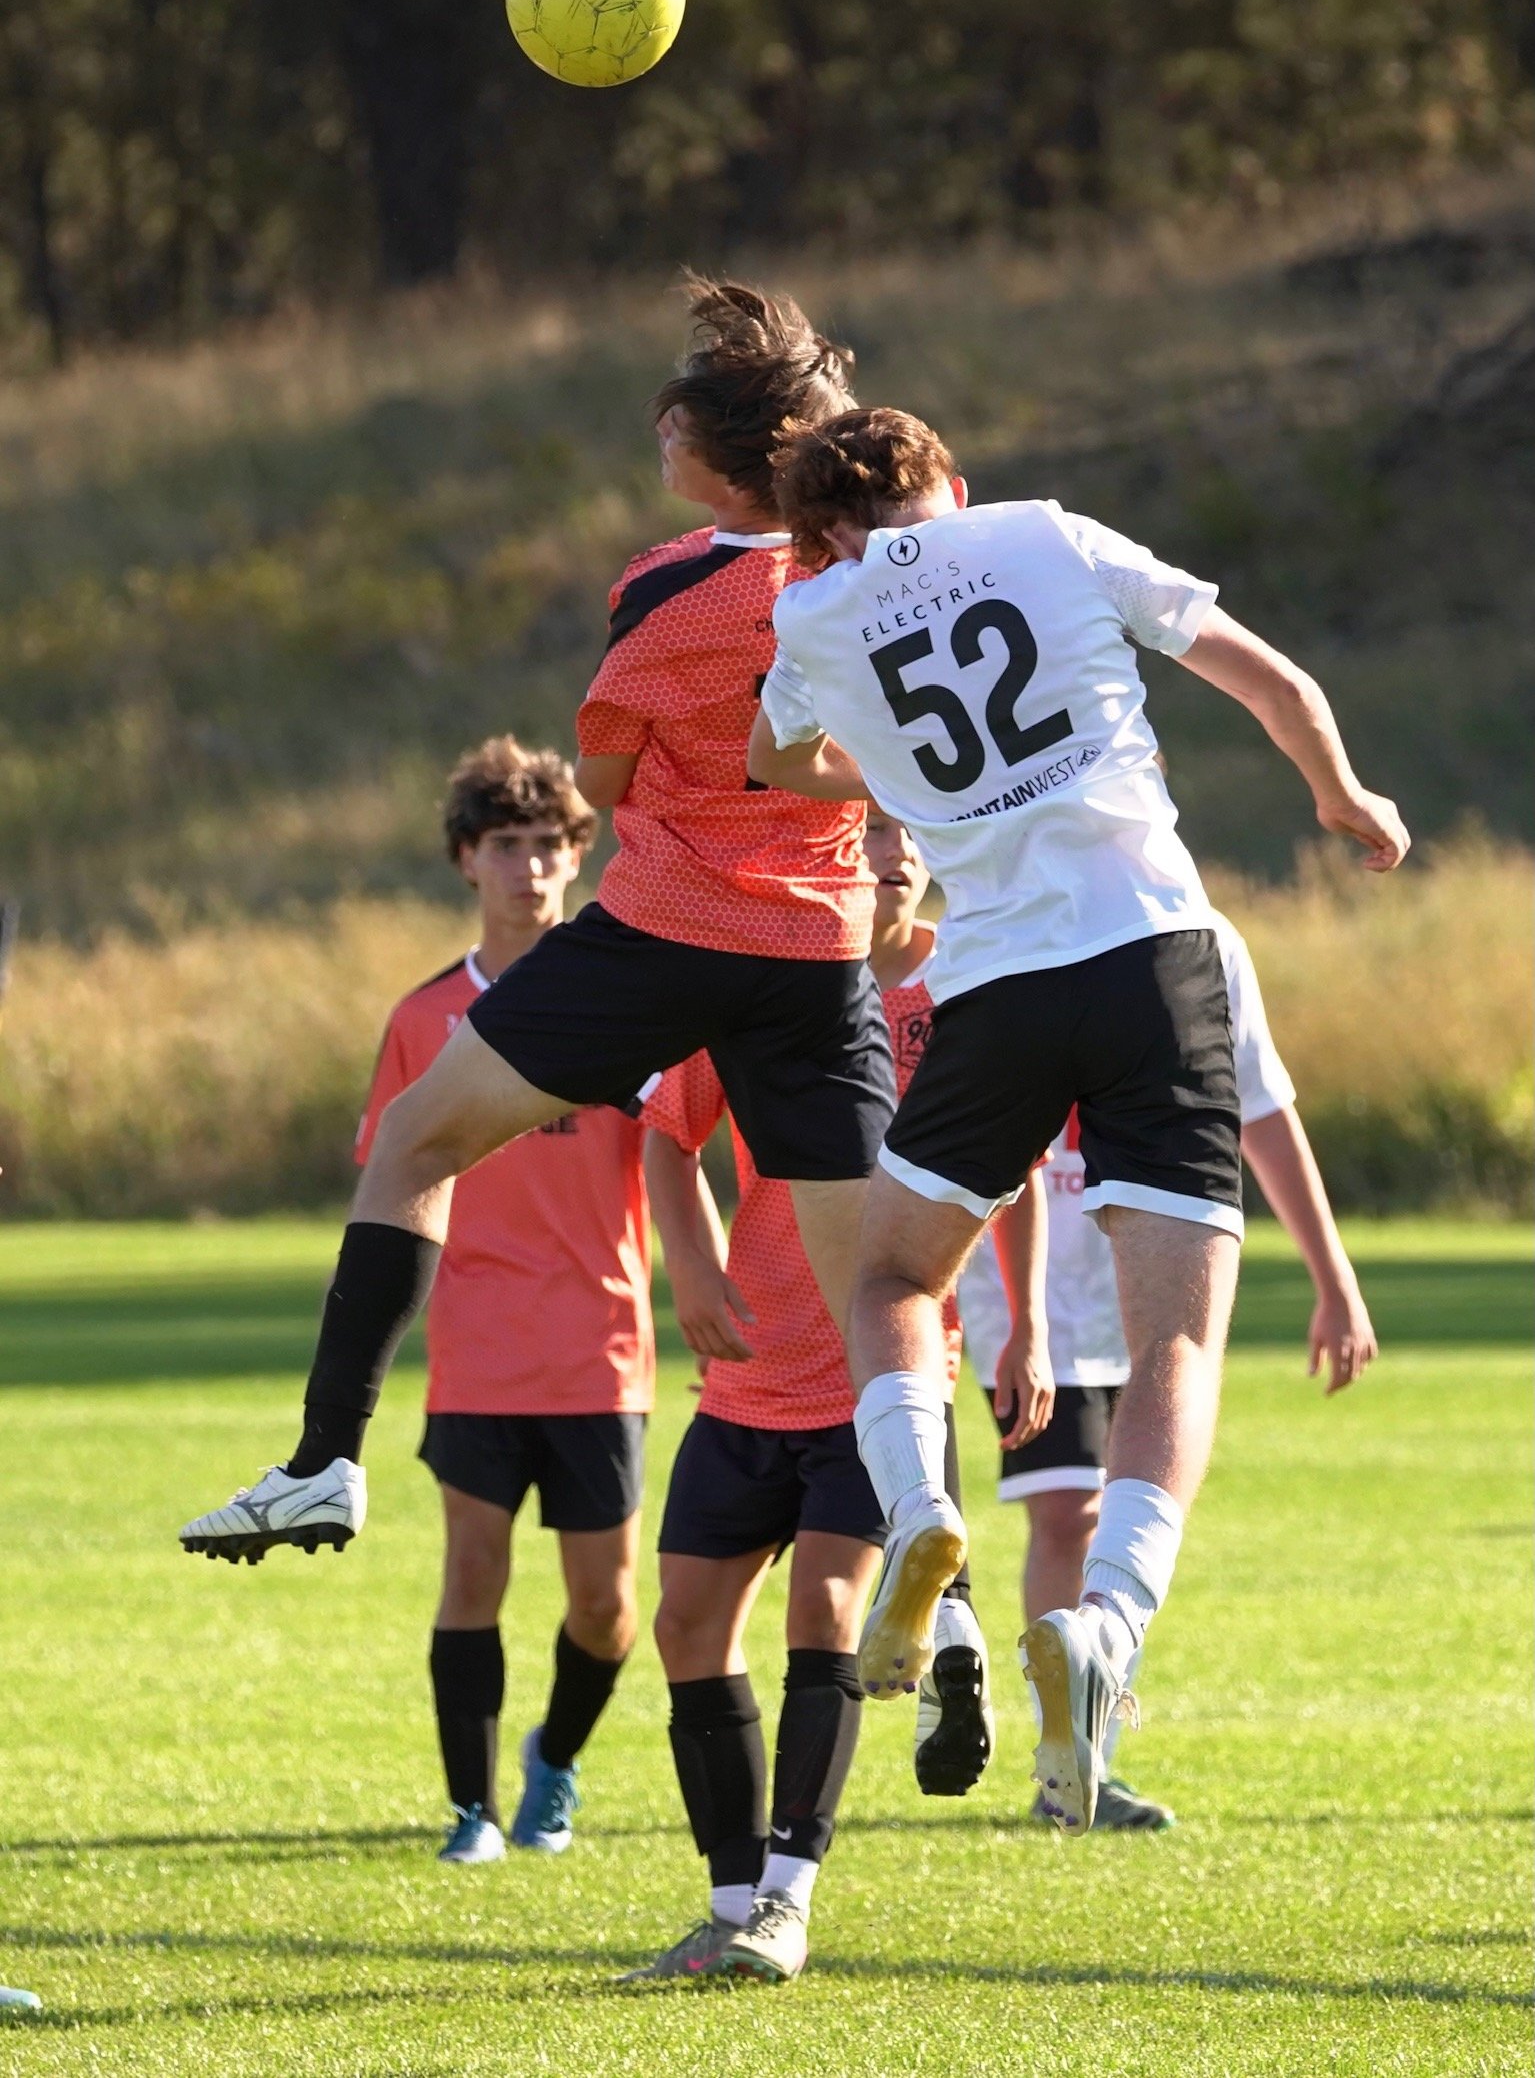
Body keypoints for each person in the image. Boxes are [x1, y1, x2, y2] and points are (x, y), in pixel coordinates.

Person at [746, 405, 1409, 1833]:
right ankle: (1105, 1622)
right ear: (948, 487)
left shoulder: (813, 615)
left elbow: (771, 762)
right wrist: (1340, 796)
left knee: (891, 1278)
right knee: (1174, 1331)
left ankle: (920, 1509)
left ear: (816, 532)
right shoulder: (1043, 534)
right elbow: (1266, 677)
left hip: (995, 987)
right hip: (1154, 961)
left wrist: (898, 774)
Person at [178, 280, 894, 1564]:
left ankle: (325, 1460)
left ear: (719, 457)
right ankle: (931, 1566)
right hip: (815, 952)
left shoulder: (668, 588)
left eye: (672, 423)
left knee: (409, 1143)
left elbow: (603, 784)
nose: (656, 436)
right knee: (870, 1300)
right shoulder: (859, 581)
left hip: (662, 934)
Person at [186, 740, 655, 1861]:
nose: (531, 869)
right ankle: (471, 1811)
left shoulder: (632, 1001)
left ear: (577, 855)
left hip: (603, 1345)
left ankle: (555, 1762)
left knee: (607, 1604)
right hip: (481, 1349)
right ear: (465, 859)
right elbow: (389, 1186)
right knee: (471, 1574)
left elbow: (683, 1149)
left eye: (552, 847)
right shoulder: (424, 1018)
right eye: (508, 846)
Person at [621, 806, 1046, 1985]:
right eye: (873, 837)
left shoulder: (960, 997)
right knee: (684, 1626)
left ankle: (787, 1901)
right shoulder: (765, 990)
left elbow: (1012, 1168)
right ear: (830, 861)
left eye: (910, 840)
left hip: (875, 1388)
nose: (894, 856)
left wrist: (1029, 1328)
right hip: (747, 1371)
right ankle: (726, 1903)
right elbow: (667, 1133)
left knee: (828, 1617)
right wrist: (694, 1264)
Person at [959, 906, 1380, 1830]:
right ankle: (1070, 1766)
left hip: (1152, 1282)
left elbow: (1258, 1113)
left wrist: (1333, 1277)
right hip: (1037, 1299)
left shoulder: (1211, 943)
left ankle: (1083, 1747)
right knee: (1067, 1511)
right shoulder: (1013, 914)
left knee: (1130, 1521)